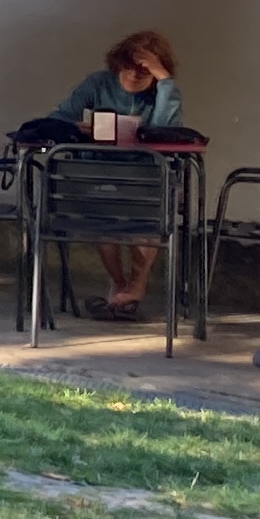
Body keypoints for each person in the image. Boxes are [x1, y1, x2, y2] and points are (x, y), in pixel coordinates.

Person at [52, 30, 183, 319]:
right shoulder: (98, 83)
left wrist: (165, 83)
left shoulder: (161, 92)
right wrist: (79, 128)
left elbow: (165, 130)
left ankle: (135, 285)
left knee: (148, 216)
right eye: (128, 67)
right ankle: (121, 285)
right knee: (104, 216)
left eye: (143, 70)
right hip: (101, 174)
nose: (134, 75)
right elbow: (59, 117)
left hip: (145, 177)